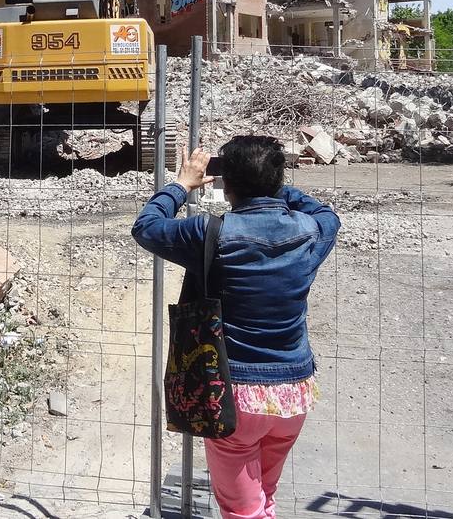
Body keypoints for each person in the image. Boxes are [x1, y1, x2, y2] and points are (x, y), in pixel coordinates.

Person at [132, 135, 341, 519]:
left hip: (235, 395)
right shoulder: (312, 232)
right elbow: (328, 214)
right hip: (293, 395)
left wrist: (182, 183)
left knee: (242, 510)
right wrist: (273, 184)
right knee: (264, 497)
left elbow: (146, 227)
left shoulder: (207, 233)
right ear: (278, 178)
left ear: (225, 182)